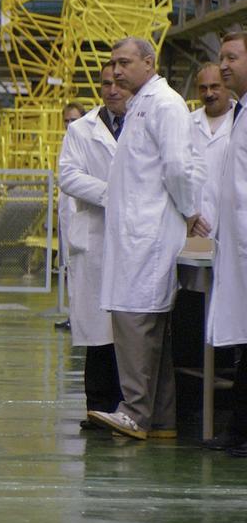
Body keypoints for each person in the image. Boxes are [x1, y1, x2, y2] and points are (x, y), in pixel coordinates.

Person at [89, 37, 205, 440]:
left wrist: (191, 212)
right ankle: (160, 420)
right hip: (136, 235)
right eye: (112, 64)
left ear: (148, 62)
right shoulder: (142, 104)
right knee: (148, 330)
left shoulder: (165, 104)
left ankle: (135, 413)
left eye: (124, 63)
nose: (116, 71)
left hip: (148, 236)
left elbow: (178, 167)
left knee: (137, 324)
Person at [58, 65, 129, 430]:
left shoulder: (146, 123)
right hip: (98, 238)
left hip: (136, 240)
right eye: (105, 83)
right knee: (99, 334)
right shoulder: (81, 130)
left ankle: (129, 406)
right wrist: (113, 194)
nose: (112, 89)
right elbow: (68, 176)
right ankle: (97, 408)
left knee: (131, 331)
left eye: (118, 82)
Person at [202, 33, 247, 454]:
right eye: (221, 58)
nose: (225, 65)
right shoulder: (241, 112)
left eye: (232, 57)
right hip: (235, 248)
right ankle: (238, 432)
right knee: (241, 344)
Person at [55, 102, 88, 330]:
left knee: (79, 269)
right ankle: (73, 315)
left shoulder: (85, 144)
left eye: (74, 120)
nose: (70, 124)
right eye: (67, 120)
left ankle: (79, 317)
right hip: (67, 216)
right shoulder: (66, 143)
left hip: (80, 217)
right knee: (69, 267)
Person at [191, 62, 235, 230]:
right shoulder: (187, 123)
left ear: (227, 86)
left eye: (215, 87)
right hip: (194, 225)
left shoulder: (241, 122)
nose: (208, 94)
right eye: (203, 88)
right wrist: (188, 213)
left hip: (234, 224)